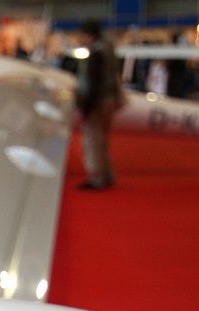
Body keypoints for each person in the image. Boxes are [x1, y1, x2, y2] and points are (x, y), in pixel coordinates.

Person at [75, 20, 122, 190]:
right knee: (102, 140)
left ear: (88, 35)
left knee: (92, 141)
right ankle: (106, 175)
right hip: (109, 99)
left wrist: (86, 107)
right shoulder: (108, 49)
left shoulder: (96, 53)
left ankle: (97, 177)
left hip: (97, 102)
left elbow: (92, 82)